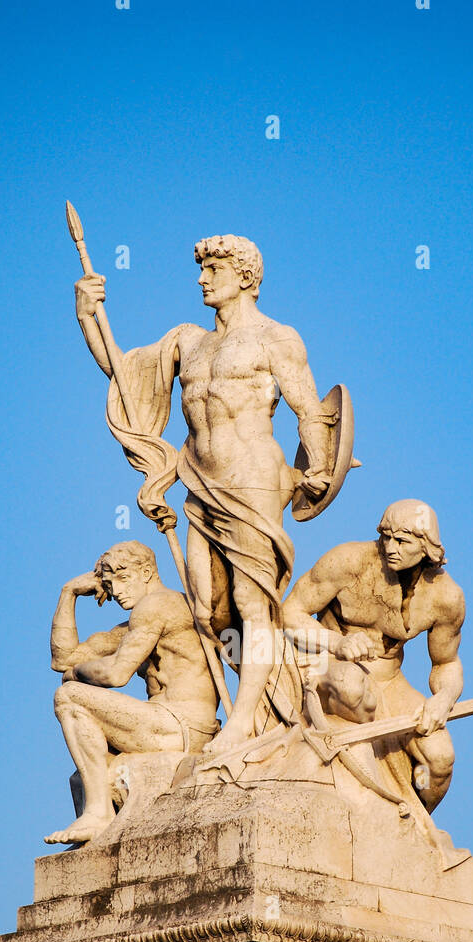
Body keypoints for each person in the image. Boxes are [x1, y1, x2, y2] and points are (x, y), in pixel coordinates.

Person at [74, 235, 335, 753]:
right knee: (208, 609)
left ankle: (242, 724)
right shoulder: (187, 341)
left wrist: (321, 466)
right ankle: (268, 703)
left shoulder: (275, 339)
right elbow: (123, 373)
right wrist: (88, 314)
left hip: (255, 480)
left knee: (251, 602)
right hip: (201, 483)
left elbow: (311, 410)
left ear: (244, 276)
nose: (201, 279)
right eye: (202, 270)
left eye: (213, 269)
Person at [282, 500, 465, 812]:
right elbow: (289, 613)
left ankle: (411, 825)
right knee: (352, 688)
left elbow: (446, 663)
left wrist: (443, 700)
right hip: (332, 667)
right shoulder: (347, 562)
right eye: (386, 537)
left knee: (439, 761)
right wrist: (335, 643)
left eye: (403, 541)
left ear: (426, 547)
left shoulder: (446, 597)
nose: (391, 547)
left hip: (390, 682)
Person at [45, 541, 218, 844]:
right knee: (82, 777)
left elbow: (116, 674)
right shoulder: (138, 622)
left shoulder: (159, 606)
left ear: (148, 571)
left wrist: (76, 675)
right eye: (110, 585)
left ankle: (98, 813)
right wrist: (68, 592)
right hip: (167, 723)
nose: (117, 592)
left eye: (124, 580)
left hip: (181, 724)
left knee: (70, 696)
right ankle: (97, 817)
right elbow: (63, 658)